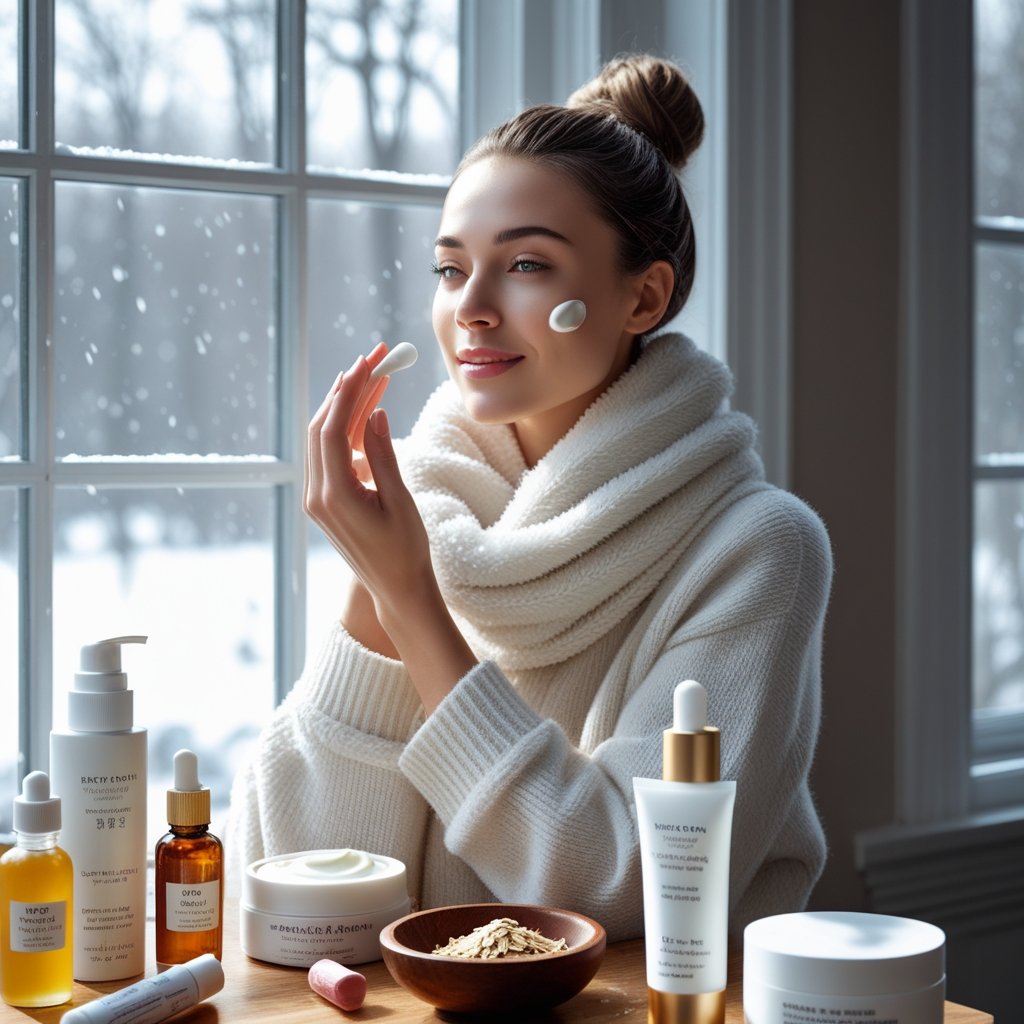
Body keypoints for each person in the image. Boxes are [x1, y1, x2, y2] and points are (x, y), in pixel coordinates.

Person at [227, 54, 831, 943]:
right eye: (449, 269)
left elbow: (619, 887)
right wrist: (375, 591)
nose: (469, 308)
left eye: (526, 265)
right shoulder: (436, 518)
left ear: (644, 295)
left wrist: (410, 600)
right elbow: (300, 888)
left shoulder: (758, 549)